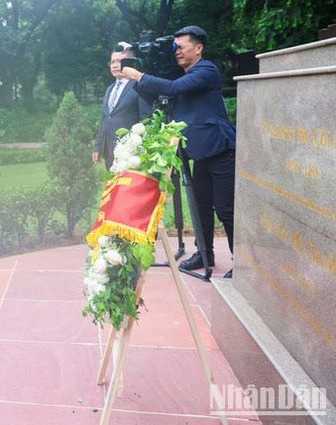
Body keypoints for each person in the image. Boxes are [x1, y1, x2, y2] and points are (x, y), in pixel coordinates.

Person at [123, 25, 236, 277]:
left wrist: (139, 76)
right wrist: (138, 80)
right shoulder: (184, 76)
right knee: (201, 205)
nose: (177, 52)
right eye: (175, 47)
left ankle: (242, 263)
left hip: (220, 151)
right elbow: (163, 96)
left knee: (225, 209)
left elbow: (173, 89)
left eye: (181, 47)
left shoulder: (206, 70)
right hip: (200, 154)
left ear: (198, 48)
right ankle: (204, 254)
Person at [93, 42, 152, 170]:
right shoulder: (110, 89)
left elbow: (146, 118)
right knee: (114, 188)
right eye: (112, 62)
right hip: (109, 151)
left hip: (130, 152)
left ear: (129, 63)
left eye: (119, 61)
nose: (115, 65)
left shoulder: (138, 86)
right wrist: (97, 147)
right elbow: (105, 119)